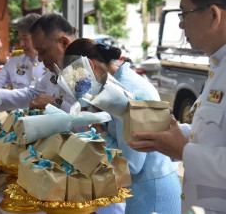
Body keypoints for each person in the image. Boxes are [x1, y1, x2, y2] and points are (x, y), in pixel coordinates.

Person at [127, 0, 226, 214]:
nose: (181, 25)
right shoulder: (218, 65)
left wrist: (183, 150)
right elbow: (214, 137)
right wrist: (169, 135)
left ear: (214, 15)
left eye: (184, 13)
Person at [64, 38, 181, 214]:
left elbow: (131, 164)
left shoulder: (125, 90)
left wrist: (98, 129)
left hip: (149, 191)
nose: (83, 89)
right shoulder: (118, 82)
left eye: (80, 81)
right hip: (146, 185)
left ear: (90, 65)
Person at [0, 13, 76, 113]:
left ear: (64, 43)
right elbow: (33, 94)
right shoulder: (57, 67)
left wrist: (56, 104)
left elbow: (87, 122)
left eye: (42, 51)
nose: (40, 59)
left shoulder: (87, 66)